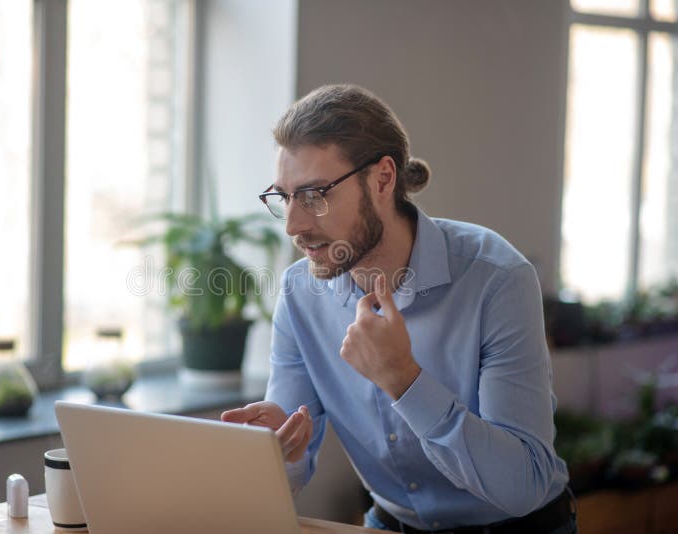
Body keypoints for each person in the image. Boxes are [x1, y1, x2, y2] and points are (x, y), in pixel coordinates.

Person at [221, 84, 575, 533]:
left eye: (314, 195)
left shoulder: (496, 278)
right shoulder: (300, 294)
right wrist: (279, 450)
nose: (294, 224)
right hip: (389, 524)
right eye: (285, 198)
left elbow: (523, 485)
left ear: (383, 179)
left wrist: (404, 380)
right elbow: (287, 473)